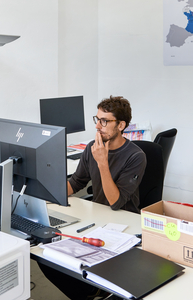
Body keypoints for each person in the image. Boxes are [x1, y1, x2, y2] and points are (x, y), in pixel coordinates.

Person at [38, 95, 147, 300]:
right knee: (48, 259)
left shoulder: (135, 156)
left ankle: (95, 290)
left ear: (121, 125)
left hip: (123, 225)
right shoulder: (91, 147)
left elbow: (116, 202)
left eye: (105, 121)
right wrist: (47, 195)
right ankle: (92, 292)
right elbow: (77, 182)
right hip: (97, 220)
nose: (98, 126)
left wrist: (102, 162)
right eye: (97, 119)